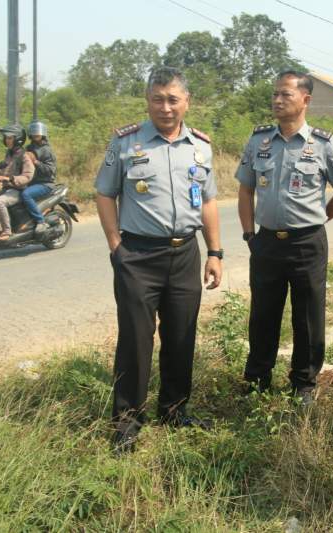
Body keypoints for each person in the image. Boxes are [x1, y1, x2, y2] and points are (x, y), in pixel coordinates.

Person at [95, 66, 223, 452]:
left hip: (185, 253)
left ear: (187, 102)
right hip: (138, 255)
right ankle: (127, 421)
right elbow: (105, 193)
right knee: (135, 339)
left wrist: (214, 252)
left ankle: (174, 410)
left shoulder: (200, 147)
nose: (165, 108)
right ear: (147, 101)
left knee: (181, 335)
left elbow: (209, 201)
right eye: (157, 99)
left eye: (172, 100)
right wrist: (116, 245)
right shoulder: (126, 142)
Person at [236, 70, 333, 404]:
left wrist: (318, 219)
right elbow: (245, 190)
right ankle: (257, 380)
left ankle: (304, 383)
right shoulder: (259, 141)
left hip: (307, 244)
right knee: (263, 314)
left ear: (305, 99)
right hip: (267, 242)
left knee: (309, 316)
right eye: (275, 94)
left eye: (285, 94)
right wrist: (249, 234)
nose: (277, 100)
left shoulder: (323, 144)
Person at [0, 123, 34, 241]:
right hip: (7, 188)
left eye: (10, 138)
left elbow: (28, 176)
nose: (7, 140)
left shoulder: (24, 155)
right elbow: (5, 169)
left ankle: (7, 231)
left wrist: (11, 179)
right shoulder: (9, 153)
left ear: (17, 139)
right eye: (6, 138)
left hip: (19, 189)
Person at [24, 120, 57, 234]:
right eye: (33, 132)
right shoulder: (28, 148)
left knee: (26, 194)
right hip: (31, 182)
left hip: (45, 183)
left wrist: (36, 162)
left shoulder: (47, 150)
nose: (35, 134)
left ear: (43, 133)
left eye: (38, 132)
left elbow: (50, 170)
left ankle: (40, 221)